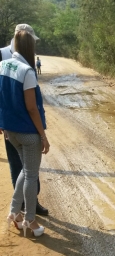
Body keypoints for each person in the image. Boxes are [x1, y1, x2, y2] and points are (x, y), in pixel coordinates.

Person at [0, 26, 50, 237]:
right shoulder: (27, 71)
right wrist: (43, 135)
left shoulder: (2, 65)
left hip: (11, 132)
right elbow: (31, 107)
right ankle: (30, 220)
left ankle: (14, 213)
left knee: (23, 171)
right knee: (31, 175)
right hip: (28, 133)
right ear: (30, 46)